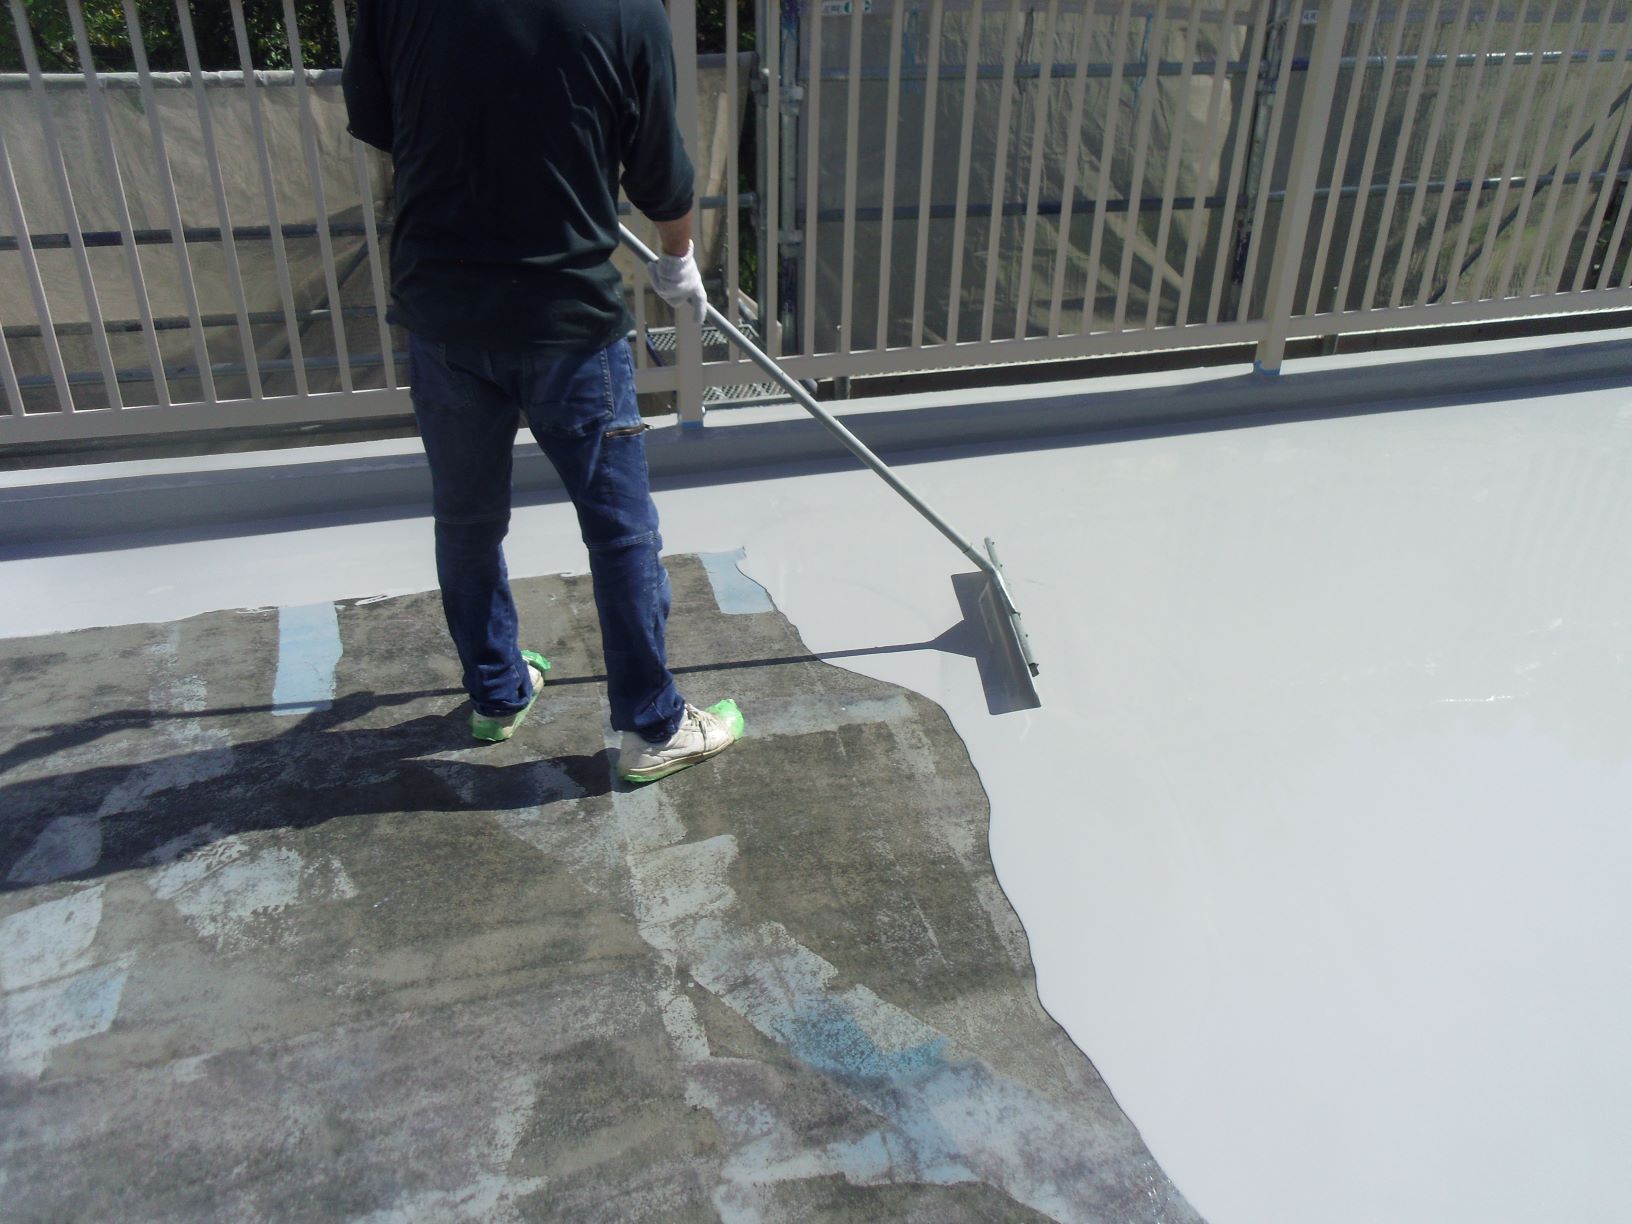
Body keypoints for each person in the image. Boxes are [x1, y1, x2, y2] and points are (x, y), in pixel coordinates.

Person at [341, 0, 741, 783]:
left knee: (467, 520)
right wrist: (676, 257)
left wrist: (486, 152)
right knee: (620, 531)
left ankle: (497, 692)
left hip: (443, 310)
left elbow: (381, 120)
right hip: (567, 320)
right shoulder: (627, 9)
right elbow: (658, 173)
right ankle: (653, 726)